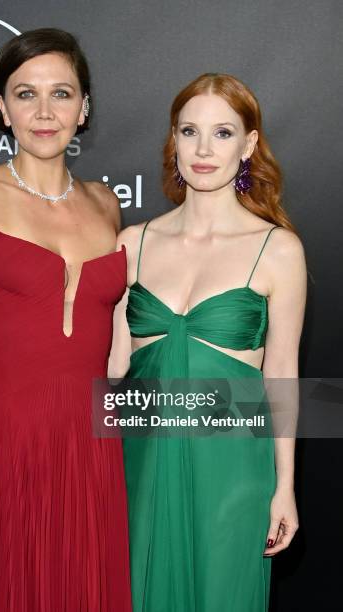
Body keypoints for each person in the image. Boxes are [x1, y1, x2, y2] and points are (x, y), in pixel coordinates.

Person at [0, 28, 132, 611]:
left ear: (84, 106)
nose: (45, 112)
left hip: (89, 442)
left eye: (62, 94)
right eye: (26, 94)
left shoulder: (106, 204)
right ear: (1, 106)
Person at [108, 73, 306, 611]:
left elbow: (282, 375)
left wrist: (285, 485)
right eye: (189, 131)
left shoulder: (278, 249)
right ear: (173, 140)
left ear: (249, 145)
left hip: (233, 465)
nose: (202, 149)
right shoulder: (133, 242)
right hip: (141, 462)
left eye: (222, 133)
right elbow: (113, 371)